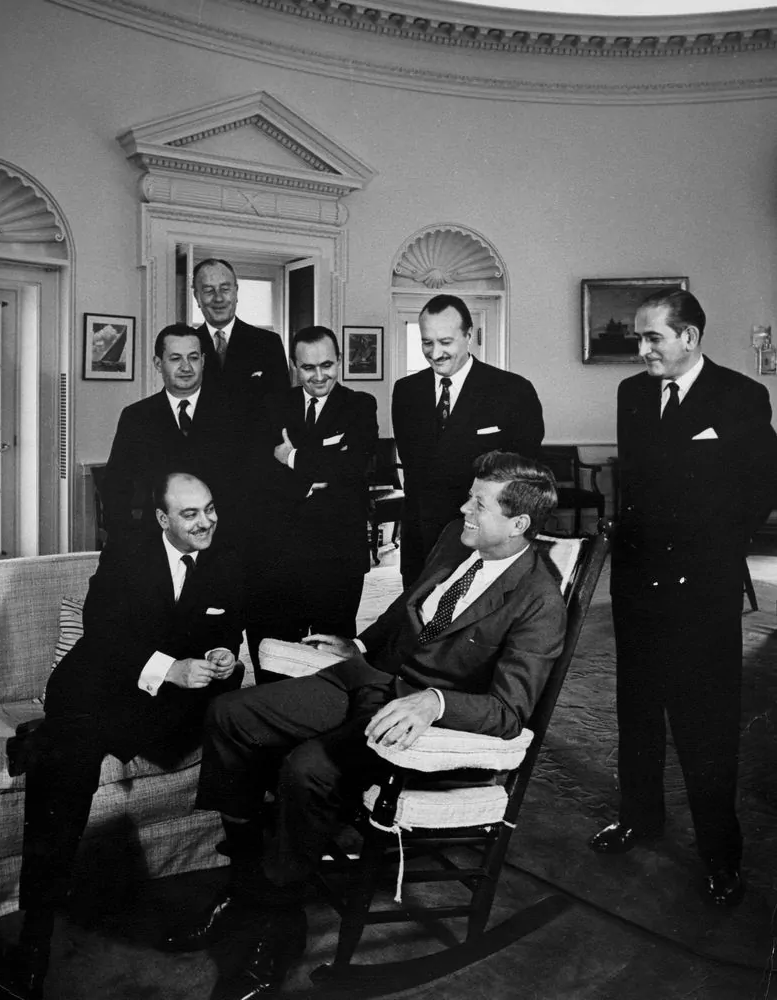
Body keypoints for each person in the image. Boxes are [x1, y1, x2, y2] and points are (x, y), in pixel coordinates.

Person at [164, 451, 566, 998]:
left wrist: (434, 703)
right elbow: (412, 604)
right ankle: (249, 882)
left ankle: (277, 920)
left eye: (479, 502)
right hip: (367, 676)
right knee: (231, 714)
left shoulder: (538, 599)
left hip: (406, 713)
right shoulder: (456, 537)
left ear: (518, 523)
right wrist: (355, 644)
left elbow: (509, 710)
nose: (463, 507)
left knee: (308, 769)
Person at [0, 473, 245, 1000]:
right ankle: (35, 943)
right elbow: (104, 635)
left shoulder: (224, 557)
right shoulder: (126, 554)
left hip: (162, 708)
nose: (205, 522)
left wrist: (223, 659)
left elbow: (224, 631)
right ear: (162, 520)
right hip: (102, 687)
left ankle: (245, 898)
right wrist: (169, 668)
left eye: (210, 509)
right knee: (65, 770)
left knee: (240, 718)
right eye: (190, 514)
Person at [589, 288, 777, 907]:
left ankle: (721, 855)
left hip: (703, 590)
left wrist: (715, 550)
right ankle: (639, 818)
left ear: (689, 337)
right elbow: (638, 488)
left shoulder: (741, 397)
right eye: (639, 339)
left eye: (653, 339)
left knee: (707, 725)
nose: (642, 351)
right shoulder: (633, 395)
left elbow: (759, 489)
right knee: (637, 711)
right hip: (639, 585)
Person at [246, 326, 378, 670]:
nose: (319, 376)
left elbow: (355, 466)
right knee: (276, 655)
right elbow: (257, 472)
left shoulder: (361, 405)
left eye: (327, 365)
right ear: (294, 366)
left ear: (339, 362)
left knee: (331, 657)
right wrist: (310, 479)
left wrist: (291, 459)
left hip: (338, 557)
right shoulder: (272, 405)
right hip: (281, 555)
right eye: (308, 368)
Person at [392, 293, 545, 587]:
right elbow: (414, 469)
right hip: (421, 544)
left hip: (483, 545)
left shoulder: (514, 391)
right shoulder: (406, 392)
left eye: (445, 342)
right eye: (427, 342)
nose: (435, 353)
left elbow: (523, 481)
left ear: (469, 336)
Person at [102, 323, 246, 546]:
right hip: (156, 545)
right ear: (158, 364)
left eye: (193, 357)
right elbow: (116, 486)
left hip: (224, 544)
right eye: (176, 358)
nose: (186, 367)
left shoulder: (235, 414)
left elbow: (249, 485)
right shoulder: (136, 417)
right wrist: (126, 539)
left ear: (204, 361)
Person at [192, 258, 289, 409]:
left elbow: (282, 405)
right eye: (208, 290)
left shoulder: (268, 342)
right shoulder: (188, 345)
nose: (218, 298)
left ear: (236, 293)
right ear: (197, 297)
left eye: (225, 289)